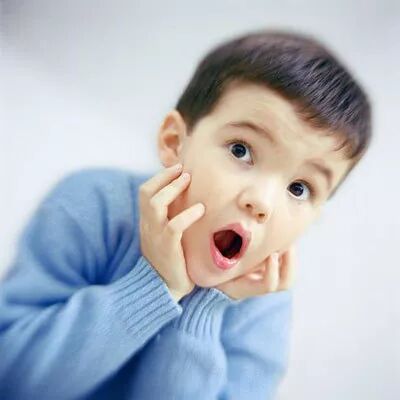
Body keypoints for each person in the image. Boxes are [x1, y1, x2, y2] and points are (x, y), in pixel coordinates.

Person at [0, 29, 372, 400]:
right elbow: (14, 379)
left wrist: (205, 306)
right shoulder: (94, 204)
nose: (262, 203)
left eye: (299, 188)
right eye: (241, 150)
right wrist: (156, 283)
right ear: (174, 142)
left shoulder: (263, 300)